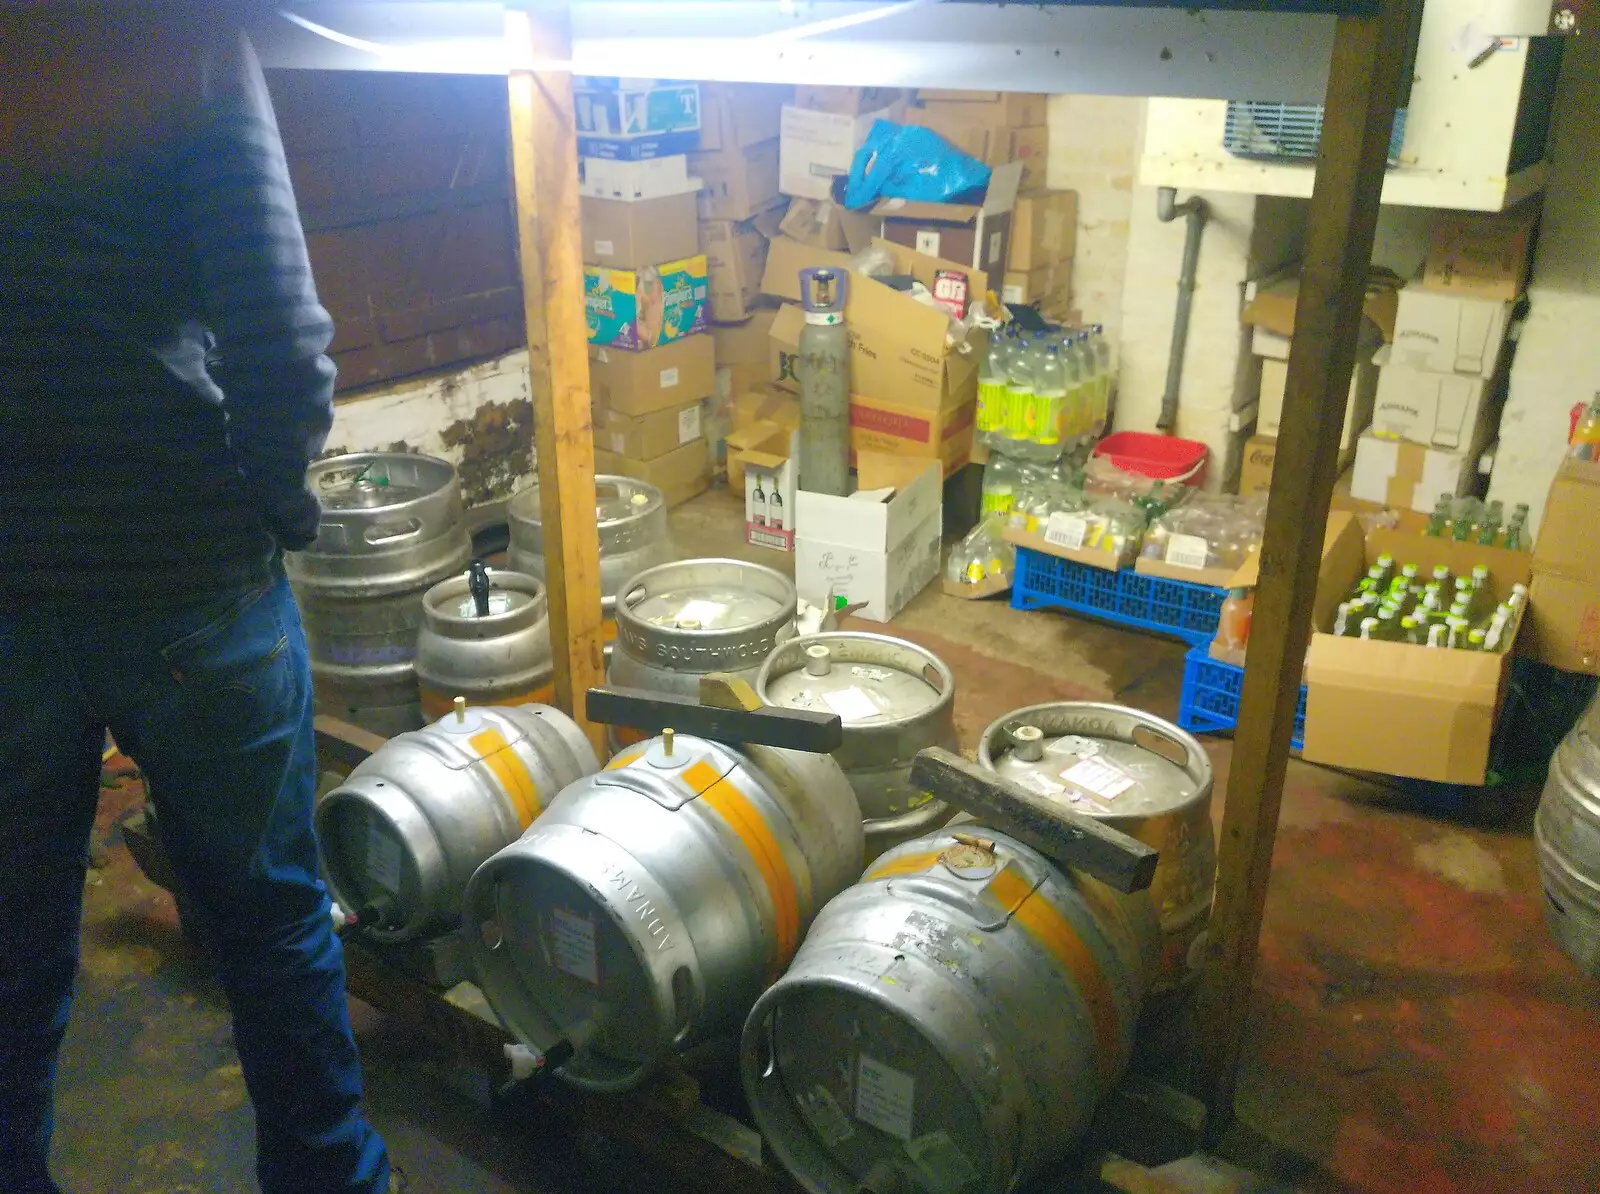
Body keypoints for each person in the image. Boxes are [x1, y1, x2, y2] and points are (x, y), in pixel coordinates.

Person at [0, 5, 392, 1191]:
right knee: (273, 926)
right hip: (184, 562)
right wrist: (274, 515)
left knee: (12, 952)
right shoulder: (175, 35)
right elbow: (277, 326)